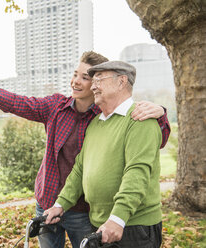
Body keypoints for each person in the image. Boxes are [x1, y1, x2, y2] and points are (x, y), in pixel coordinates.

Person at [0, 51, 170, 248]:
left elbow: (145, 154)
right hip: (50, 203)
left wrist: (161, 114)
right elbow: (19, 103)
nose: (78, 81)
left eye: (89, 78)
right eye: (76, 74)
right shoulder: (61, 108)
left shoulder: (114, 115)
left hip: (87, 212)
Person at [45, 61, 163, 247]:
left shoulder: (140, 120)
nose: (93, 86)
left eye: (99, 79)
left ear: (121, 82)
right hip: (101, 225)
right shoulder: (95, 124)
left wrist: (118, 218)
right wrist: (60, 205)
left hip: (132, 225)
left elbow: (137, 173)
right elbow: (79, 169)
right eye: (93, 81)